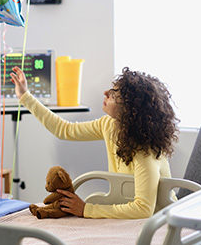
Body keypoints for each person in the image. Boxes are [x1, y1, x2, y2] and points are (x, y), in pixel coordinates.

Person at [10, 66, 179, 219]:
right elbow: (64, 130)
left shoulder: (145, 152)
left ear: (129, 110)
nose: (105, 93)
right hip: (128, 218)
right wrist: (25, 96)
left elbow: (143, 209)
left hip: (159, 221)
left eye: (113, 94)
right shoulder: (110, 125)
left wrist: (86, 209)